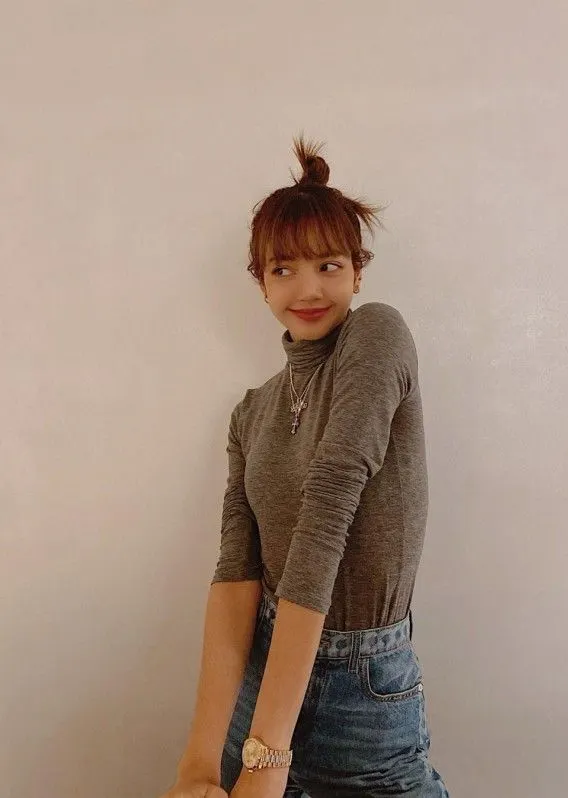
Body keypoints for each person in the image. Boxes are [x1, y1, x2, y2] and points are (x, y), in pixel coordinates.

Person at [160, 136, 449, 797]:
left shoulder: (377, 335)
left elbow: (326, 518)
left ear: (357, 272)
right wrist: (198, 762)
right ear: (260, 282)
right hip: (260, 685)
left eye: (328, 264)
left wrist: (267, 761)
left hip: (362, 697)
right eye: (284, 269)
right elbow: (236, 575)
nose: (308, 288)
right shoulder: (251, 412)